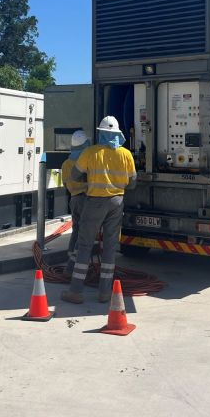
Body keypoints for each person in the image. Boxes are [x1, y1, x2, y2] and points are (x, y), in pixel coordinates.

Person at [61, 116, 136, 304]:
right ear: (117, 134)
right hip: (117, 202)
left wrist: (93, 178)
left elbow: (75, 176)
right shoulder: (126, 154)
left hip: (95, 202)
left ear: (100, 133)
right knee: (110, 247)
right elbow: (133, 182)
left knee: (85, 245)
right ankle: (105, 292)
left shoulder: (90, 152)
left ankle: (76, 291)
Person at [61, 130, 90, 276]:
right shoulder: (84, 162)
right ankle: (76, 266)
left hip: (73, 199)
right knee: (84, 234)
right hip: (85, 199)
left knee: (76, 231)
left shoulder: (66, 163)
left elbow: (65, 183)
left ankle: (70, 262)